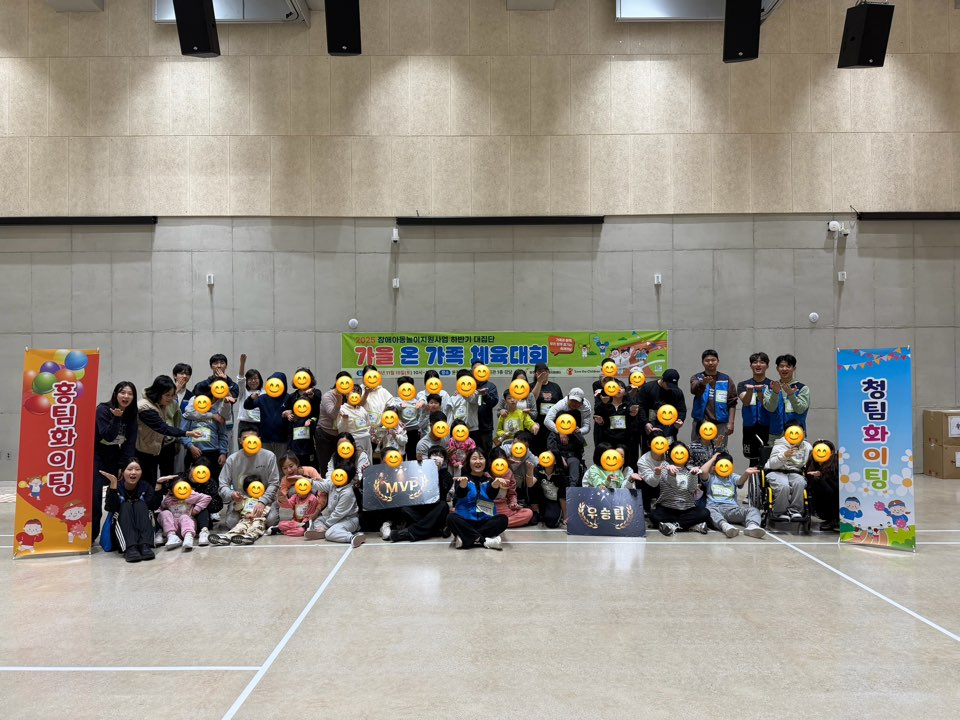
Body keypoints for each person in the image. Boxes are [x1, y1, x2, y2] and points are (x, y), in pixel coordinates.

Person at [136, 375, 202, 489]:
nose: (170, 398)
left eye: (172, 395)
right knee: (146, 483)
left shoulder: (159, 403)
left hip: (157, 448)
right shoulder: (145, 407)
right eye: (167, 395)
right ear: (158, 393)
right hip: (143, 451)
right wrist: (187, 433)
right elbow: (163, 428)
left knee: (161, 479)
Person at [92, 381, 138, 543]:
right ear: (115, 394)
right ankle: (91, 535)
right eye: (122, 392)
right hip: (97, 457)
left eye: (130, 393)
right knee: (95, 498)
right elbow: (107, 435)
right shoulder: (103, 410)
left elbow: (129, 443)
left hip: (115, 457)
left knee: (116, 496)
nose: (126, 396)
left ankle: (114, 535)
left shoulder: (131, 414)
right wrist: (117, 418)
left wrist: (123, 466)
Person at [100, 458, 164, 563]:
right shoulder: (117, 485)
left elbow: (153, 506)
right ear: (123, 471)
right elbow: (110, 508)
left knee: (140, 504)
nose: (133, 472)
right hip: (121, 532)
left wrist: (158, 485)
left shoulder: (145, 486)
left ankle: (145, 545)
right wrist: (113, 485)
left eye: (137, 469)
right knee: (125, 505)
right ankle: (130, 547)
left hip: (143, 529)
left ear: (141, 472)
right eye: (129, 469)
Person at [217, 428, 282, 530]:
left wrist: (263, 501)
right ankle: (252, 522)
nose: (250, 442)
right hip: (240, 501)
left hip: (264, 499)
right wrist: (232, 494)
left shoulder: (269, 456)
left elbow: (274, 483)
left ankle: (255, 521)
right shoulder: (232, 459)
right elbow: (223, 485)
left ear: (259, 439)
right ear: (240, 441)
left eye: (253, 438)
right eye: (245, 438)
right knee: (231, 524)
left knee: (271, 521)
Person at [446, 449, 509, 550]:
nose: (478, 461)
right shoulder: (462, 479)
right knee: (451, 518)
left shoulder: (490, 480)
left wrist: (495, 485)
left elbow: (491, 496)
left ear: (486, 461)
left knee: (503, 519)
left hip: (485, 521)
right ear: (469, 462)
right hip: (466, 520)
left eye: (481, 458)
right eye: (474, 458)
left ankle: (466, 538)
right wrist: (463, 485)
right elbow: (460, 495)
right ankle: (484, 540)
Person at [387, 445, 453, 542]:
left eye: (440, 456)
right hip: (420, 510)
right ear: (429, 457)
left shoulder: (447, 475)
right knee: (404, 509)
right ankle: (434, 529)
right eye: (434, 455)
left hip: (435, 509)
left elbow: (442, 491)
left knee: (443, 506)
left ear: (444, 461)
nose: (437, 458)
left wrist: (435, 471)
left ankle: (407, 533)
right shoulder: (420, 472)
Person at [644, 442, 710, 536]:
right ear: (670, 454)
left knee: (705, 513)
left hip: (687, 509)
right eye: (676, 452)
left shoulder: (691, 469)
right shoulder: (665, 467)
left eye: (682, 452)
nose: (679, 455)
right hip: (667, 508)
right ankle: (691, 525)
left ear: (687, 455)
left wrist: (693, 475)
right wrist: (671, 474)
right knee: (654, 516)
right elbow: (673, 484)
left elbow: (692, 489)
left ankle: (673, 526)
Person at [698, 452, 765, 538]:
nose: (724, 467)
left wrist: (746, 474)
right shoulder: (711, 477)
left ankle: (752, 526)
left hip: (732, 509)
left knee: (753, 510)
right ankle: (725, 526)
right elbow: (703, 471)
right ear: (715, 466)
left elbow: (740, 482)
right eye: (721, 465)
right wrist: (713, 458)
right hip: (715, 508)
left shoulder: (732, 477)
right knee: (708, 511)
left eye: (727, 465)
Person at [181, 381, 230, 489]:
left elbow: (222, 435)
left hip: (213, 454)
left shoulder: (217, 414)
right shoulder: (189, 414)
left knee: (213, 484)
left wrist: (223, 452)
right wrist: (191, 446)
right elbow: (182, 434)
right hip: (194, 454)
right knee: (192, 484)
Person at [303, 470, 366, 547]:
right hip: (335, 519)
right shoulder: (333, 484)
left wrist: (326, 526)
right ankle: (323, 532)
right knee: (318, 520)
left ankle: (353, 537)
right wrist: (308, 481)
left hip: (349, 520)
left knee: (330, 533)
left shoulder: (347, 493)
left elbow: (338, 514)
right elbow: (321, 484)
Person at [690, 349, 737, 449]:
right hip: (701, 422)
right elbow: (694, 390)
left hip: (720, 424)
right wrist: (702, 383)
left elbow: (732, 402)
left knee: (719, 453)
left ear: (718, 361)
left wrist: (731, 423)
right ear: (702, 362)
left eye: (713, 360)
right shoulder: (697, 378)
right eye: (707, 360)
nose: (710, 363)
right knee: (699, 452)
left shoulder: (726, 379)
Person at [765, 422, 812, 521]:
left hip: (794, 472)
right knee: (784, 486)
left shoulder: (807, 446)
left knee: (800, 483)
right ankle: (780, 512)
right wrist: (784, 455)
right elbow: (773, 464)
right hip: (776, 471)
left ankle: (795, 511)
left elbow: (814, 456)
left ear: (803, 433)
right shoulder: (780, 445)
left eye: (799, 431)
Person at [209, 475, 270, 545]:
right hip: (245, 519)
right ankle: (226, 537)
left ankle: (249, 537)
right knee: (238, 527)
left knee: (256, 528)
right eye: (251, 487)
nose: (255, 489)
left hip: (258, 519)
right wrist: (238, 501)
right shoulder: (245, 499)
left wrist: (254, 514)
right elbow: (238, 508)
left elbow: (267, 509)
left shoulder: (263, 500)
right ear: (246, 489)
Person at [636, 368, 687, 453]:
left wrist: (680, 420)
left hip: (669, 429)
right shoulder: (648, 388)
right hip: (650, 428)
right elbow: (641, 407)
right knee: (649, 453)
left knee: (669, 453)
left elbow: (681, 409)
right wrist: (645, 423)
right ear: (662, 379)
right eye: (668, 384)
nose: (670, 387)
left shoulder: (677, 392)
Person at [763, 354, 810, 440]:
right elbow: (770, 408)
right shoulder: (771, 387)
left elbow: (800, 410)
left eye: (788, 366)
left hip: (797, 435)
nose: (784, 369)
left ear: (794, 368)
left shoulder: (802, 388)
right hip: (775, 436)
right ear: (777, 369)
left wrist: (791, 395)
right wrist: (775, 393)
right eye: (781, 366)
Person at [243, 371, 289, 459]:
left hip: (282, 439)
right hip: (266, 438)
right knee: (266, 462)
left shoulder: (288, 398)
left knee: (281, 463)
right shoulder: (263, 397)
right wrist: (251, 398)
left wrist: (290, 412)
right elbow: (247, 406)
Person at [737, 352, 772, 467]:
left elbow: (772, 405)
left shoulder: (772, 385)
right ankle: (754, 479)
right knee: (752, 460)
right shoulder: (743, 384)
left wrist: (761, 392)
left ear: (767, 366)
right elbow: (746, 402)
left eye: (762, 362)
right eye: (755, 362)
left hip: (768, 427)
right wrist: (750, 390)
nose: (758, 365)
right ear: (750, 365)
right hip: (749, 427)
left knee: (768, 460)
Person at [158, 478, 211, 551]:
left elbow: (207, 498)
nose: (182, 490)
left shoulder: (190, 495)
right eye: (178, 488)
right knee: (164, 513)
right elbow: (161, 507)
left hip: (187, 524)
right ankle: (172, 537)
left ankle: (188, 538)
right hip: (172, 527)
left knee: (184, 517)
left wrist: (196, 509)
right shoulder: (168, 498)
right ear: (170, 491)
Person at [282, 367, 320, 467]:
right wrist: (287, 414)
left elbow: (316, 410)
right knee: (295, 459)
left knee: (310, 461)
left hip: (309, 429)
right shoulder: (292, 396)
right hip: (295, 430)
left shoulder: (316, 393)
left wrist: (310, 394)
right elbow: (289, 411)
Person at [490, 447, 534, 527]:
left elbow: (512, 494)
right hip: (489, 507)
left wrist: (513, 503)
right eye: (497, 461)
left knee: (528, 513)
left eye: (503, 460)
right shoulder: (486, 473)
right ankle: (498, 523)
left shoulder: (508, 472)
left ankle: (499, 524)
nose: (500, 464)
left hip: (504, 508)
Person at [316, 372, 349, 472]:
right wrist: (339, 401)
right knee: (325, 465)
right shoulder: (328, 396)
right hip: (325, 434)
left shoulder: (349, 395)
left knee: (340, 464)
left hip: (340, 435)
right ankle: (325, 482)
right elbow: (333, 415)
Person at [276, 472, 324, 537]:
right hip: (296, 522)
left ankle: (281, 531)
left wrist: (303, 523)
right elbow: (288, 504)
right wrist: (283, 500)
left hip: (307, 522)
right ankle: (282, 528)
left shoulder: (312, 498)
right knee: (281, 524)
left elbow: (309, 515)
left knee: (300, 532)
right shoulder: (295, 497)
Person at [805, 439, 839, 531]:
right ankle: (830, 519)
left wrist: (821, 475)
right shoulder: (812, 461)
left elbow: (835, 479)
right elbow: (808, 477)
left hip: (833, 487)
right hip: (818, 488)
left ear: (831, 452)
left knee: (832, 490)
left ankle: (834, 519)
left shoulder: (836, 461)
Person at [530, 363, 563, 454]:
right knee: (536, 451)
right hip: (537, 423)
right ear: (535, 373)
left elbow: (561, 405)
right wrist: (539, 382)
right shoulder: (531, 386)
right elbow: (532, 400)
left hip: (552, 423)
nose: (543, 374)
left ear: (548, 372)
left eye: (545, 371)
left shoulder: (555, 387)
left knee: (551, 451)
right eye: (540, 371)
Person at [531, 452, 569, 528]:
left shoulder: (560, 475)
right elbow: (530, 485)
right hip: (541, 500)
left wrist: (565, 516)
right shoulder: (537, 470)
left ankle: (548, 514)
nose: (545, 459)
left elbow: (562, 497)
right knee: (532, 485)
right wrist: (529, 470)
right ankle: (535, 512)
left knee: (552, 522)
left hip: (554, 501)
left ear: (555, 461)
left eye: (548, 457)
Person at [472, 361, 499, 455]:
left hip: (485, 427)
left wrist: (485, 395)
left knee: (486, 453)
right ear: (472, 371)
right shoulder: (467, 385)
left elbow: (493, 403)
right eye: (475, 368)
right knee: (471, 453)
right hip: (470, 428)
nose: (478, 370)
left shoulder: (490, 386)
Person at [234, 354, 263, 436]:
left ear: (260, 380)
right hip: (245, 424)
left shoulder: (265, 393)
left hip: (260, 425)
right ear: (247, 381)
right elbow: (240, 379)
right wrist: (242, 364)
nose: (253, 381)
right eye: (250, 379)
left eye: (255, 378)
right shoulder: (243, 392)